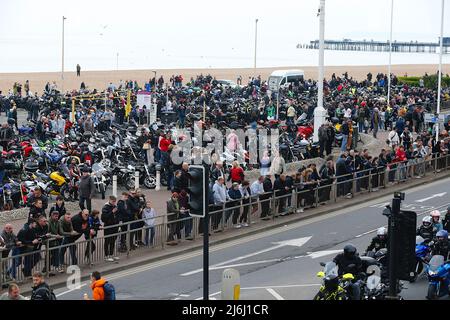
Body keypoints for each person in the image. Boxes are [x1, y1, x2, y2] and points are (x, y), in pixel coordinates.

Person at [101, 196, 120, 262]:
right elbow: (104, 218)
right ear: (109, 200)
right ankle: (106, 256)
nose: (114, 203)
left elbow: (117, 216)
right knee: (107, 241)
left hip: (115, 226)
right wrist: (112, 212)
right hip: (108, 227)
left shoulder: (115, 206)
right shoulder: (105, 207)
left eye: (115, 201)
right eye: (113, 201)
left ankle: (111, 254)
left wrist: (118, 222)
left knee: (113, 241)